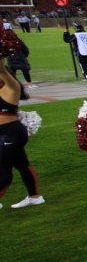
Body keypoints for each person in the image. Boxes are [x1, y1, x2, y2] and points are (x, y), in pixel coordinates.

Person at [0, 61, 42, 210]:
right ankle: (34, 197)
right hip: (4, 135)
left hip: (11, 133)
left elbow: (3, 71)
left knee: (3, 170)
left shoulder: (11, 88)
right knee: (22, 165)